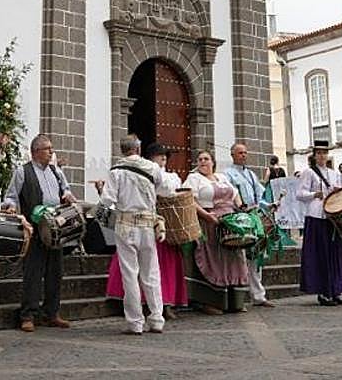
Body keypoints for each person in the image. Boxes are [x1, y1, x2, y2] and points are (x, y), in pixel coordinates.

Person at [97, 134, 174, 335]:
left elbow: (107, 201)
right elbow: (166, 190)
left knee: (129, 274)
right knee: (151, 272)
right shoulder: (152, 168)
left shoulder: (116, 171)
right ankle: (157, 318)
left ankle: (135, 322)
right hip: (148, 224)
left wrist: (102, 193)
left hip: (125, 225)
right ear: (138, 150)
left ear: (122, 150)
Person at [2, 134, 75, 332]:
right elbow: (11, 196)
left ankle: (51, 313)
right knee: (33, 273)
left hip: (55, 229)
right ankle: (28, 315)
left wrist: (68, 196)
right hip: (34, 229)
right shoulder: (22, 171)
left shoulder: (56, 171)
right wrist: (9, 207)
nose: (51, 152)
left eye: (51, 149)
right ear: (35, 152)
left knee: (55, 272)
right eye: (47, 149)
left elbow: (65, 190)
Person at [185, 149, 250, 313]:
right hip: (209, 223)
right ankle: (212, 302)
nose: (202, 162)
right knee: (213, 260)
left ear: (213, 162)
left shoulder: (222, 177)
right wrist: (207, 215)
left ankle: (234, 302)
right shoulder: (194, 179)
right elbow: (190, 201)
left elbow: (235, 194)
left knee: (233, 259)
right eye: (199, 159)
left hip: (229, 223)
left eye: (206, 159)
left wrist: (241, 208)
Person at [296, 141, 342, 306]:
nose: (322, 156)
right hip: (317, 215)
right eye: (319, 153)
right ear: (314, 155)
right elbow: (299, 193)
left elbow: (340, 191)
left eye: (324, 153)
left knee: (334, 254)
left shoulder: (334, 173)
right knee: (321, 254)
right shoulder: (309, 173)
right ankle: (323, 292)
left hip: (332, 215)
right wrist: (314, 194)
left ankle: (335, 289)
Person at [224, 141, 275, 308]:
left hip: (254, 218)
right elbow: (229, 195)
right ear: (232, 155)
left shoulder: (252, 175)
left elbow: (260, 196)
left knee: (255, 255)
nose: (243, 155)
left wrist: (269, 205)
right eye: (240, 153)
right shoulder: (228, 174)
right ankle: (238, 296)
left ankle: (258, 296)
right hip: (239, 219)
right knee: (239, 257)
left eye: (245, 152)